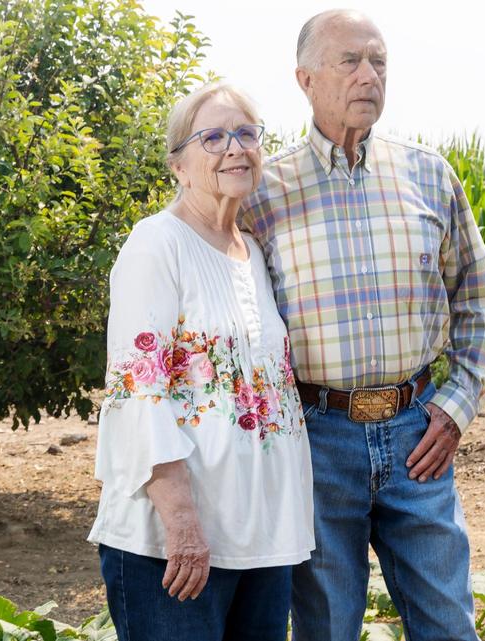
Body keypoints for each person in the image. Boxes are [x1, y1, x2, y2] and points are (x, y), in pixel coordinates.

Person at [240, 9, 485, 641]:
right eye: (350, 62)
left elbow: (480, 299)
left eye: (379, 62)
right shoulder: (262, 192)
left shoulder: (429, 175)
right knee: (326, 627)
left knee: (448, 622)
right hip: (317, 440)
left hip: (420, 433)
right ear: (305, 79)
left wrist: (457, 404)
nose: (369, 76)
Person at [88, 82, 314, 641]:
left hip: (261, 538)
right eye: (213, 137)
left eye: (245, 134)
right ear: (179, 166)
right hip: (175, 545)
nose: (234, 148)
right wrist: (182, 522)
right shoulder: (156, 243)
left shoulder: (255, 253)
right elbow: (140, 393)